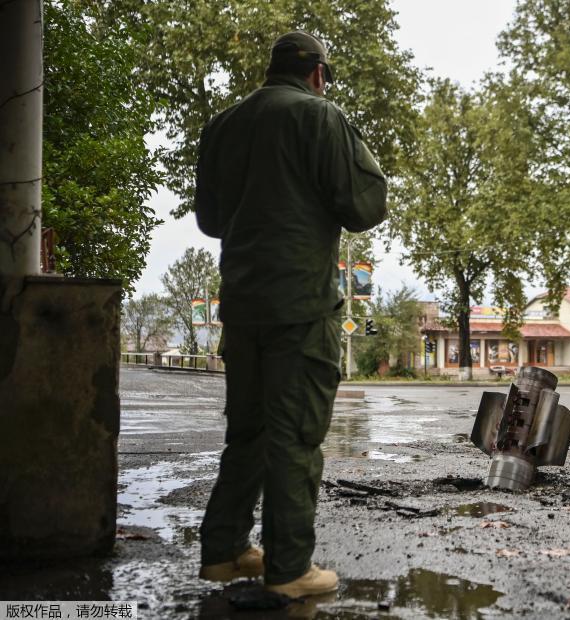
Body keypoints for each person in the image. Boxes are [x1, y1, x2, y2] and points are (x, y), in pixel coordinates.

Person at [193, 31, 387, 598]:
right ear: (318, 75)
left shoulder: (224, 126)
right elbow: (366, 205)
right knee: (295, 437)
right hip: (301, 306)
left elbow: (209, 219)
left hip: (243, 304)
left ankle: (225, 552)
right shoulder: (320, 117)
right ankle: (290, 569)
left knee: (248, 433)